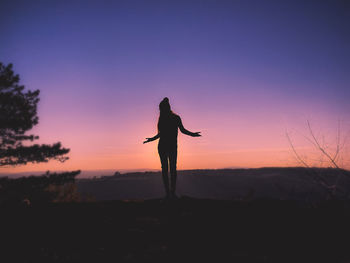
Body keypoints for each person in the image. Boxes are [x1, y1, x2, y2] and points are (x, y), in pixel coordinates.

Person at [143, 97, 201, 199]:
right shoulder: (174, 118)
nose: (160, 111)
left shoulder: (167, 118)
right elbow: (179, 131)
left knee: (166, 169)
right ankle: (170, 193)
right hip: (170, 146)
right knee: (171, 169)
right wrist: (151, 139)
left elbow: (163, 134)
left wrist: (193, 134)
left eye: (160, 109)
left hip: (165, 146)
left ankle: (170, 193)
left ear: (164, 108)